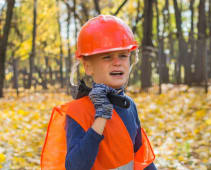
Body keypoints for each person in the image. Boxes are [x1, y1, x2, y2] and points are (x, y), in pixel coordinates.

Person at [41, 15, 156, 170]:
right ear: (88, 67)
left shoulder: (129, 106)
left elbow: (141, 156)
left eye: (123, 55)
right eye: (107, 57)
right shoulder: (79, 111)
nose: (117, 62)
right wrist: (101, 116)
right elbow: (75, 166)